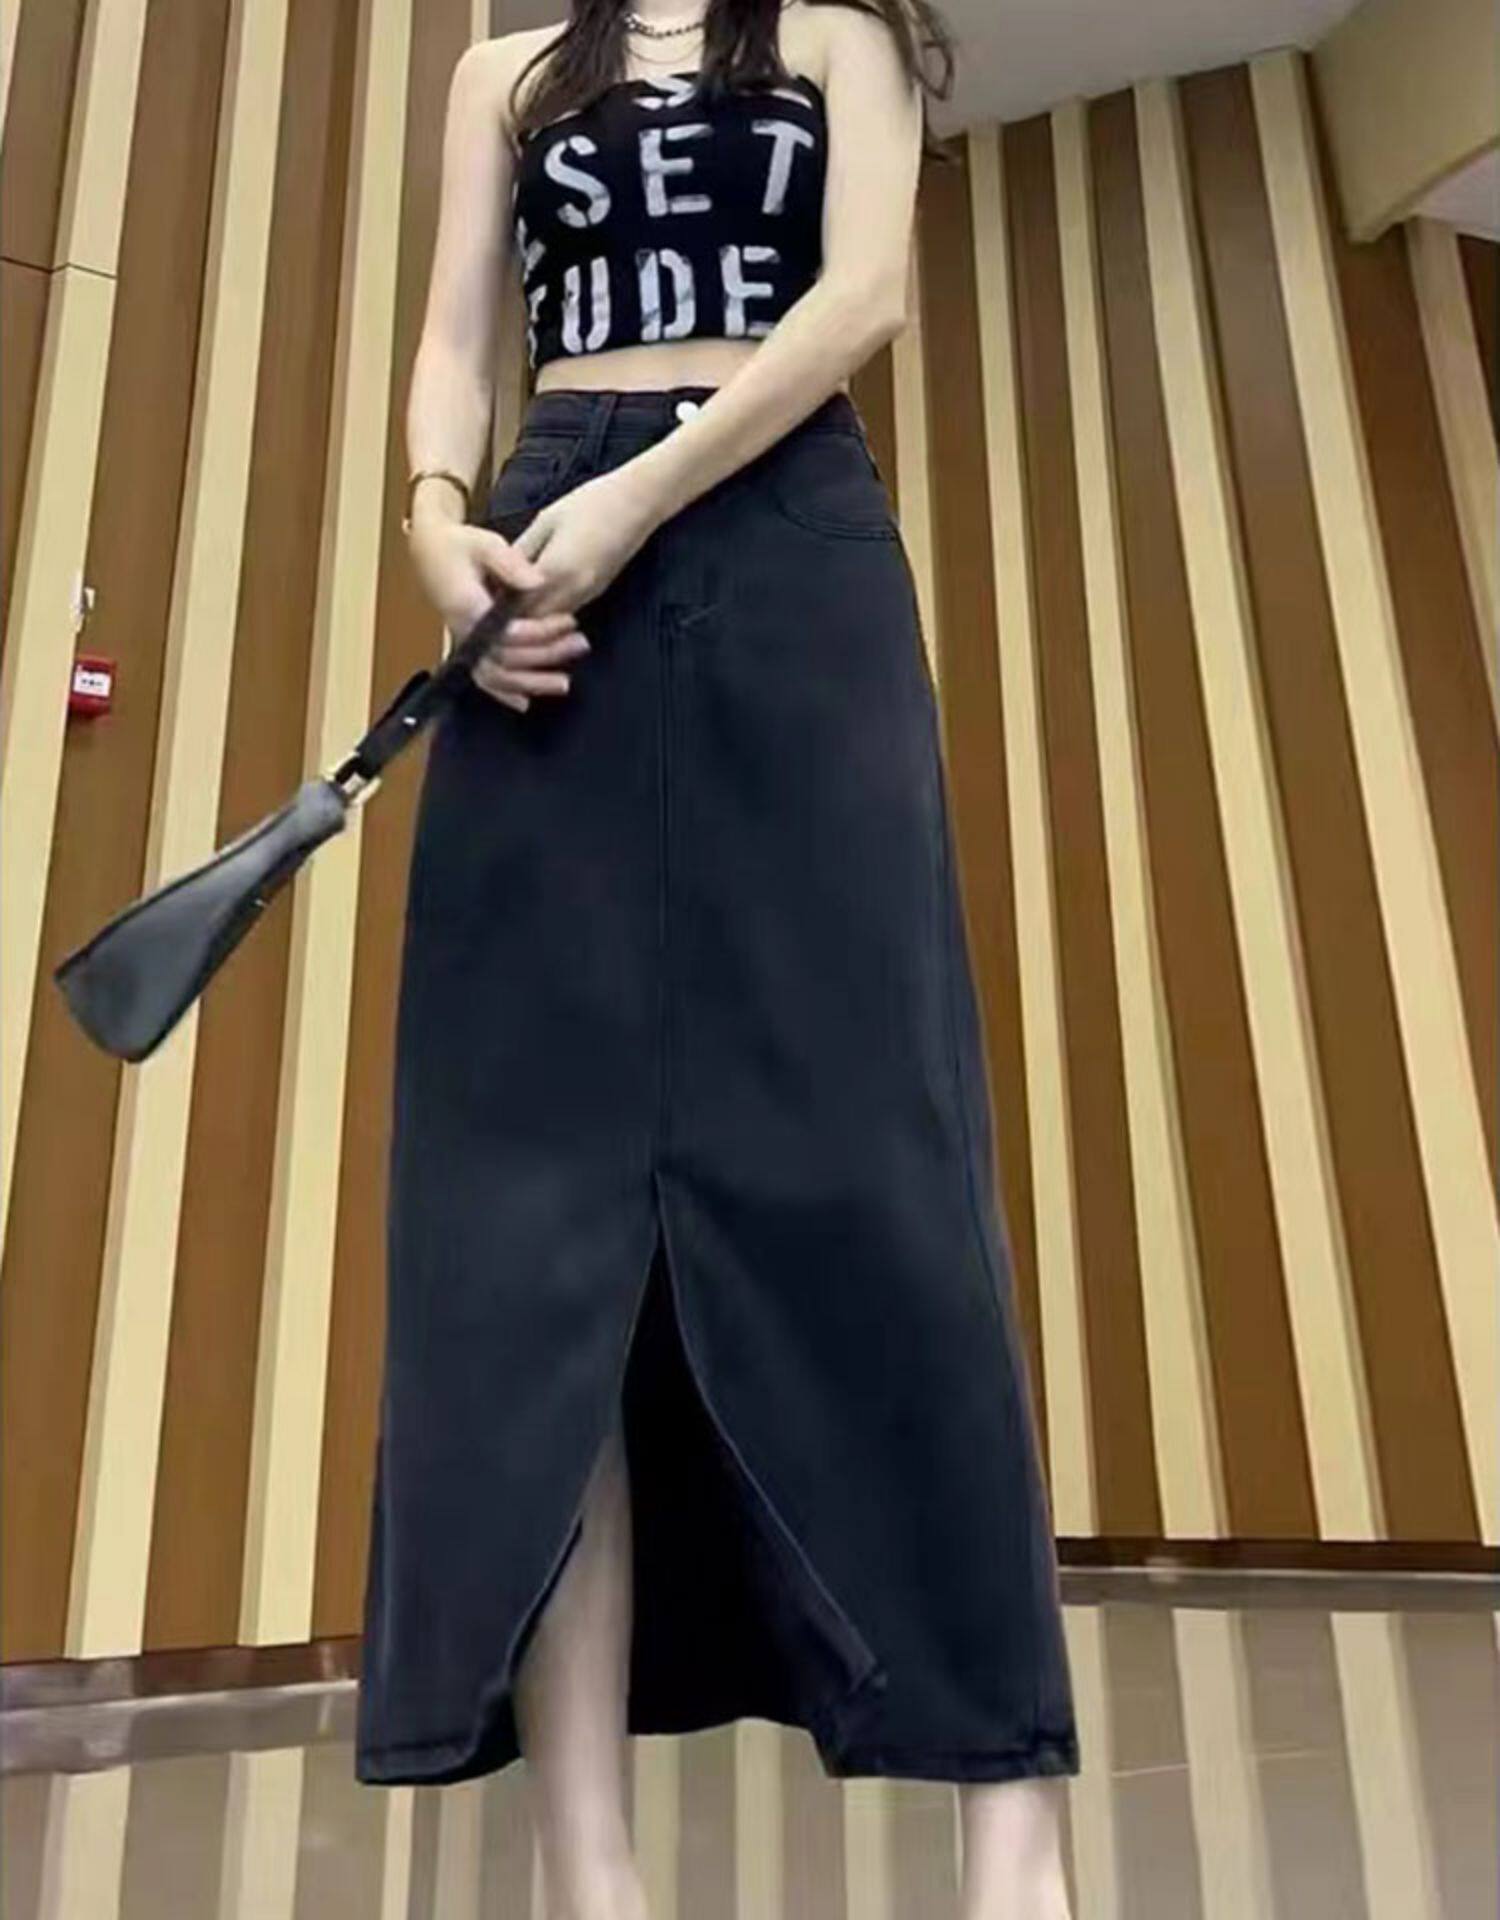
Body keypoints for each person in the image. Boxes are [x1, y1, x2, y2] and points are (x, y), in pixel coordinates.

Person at [356, 3, 1078, 1915]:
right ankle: (590, 1873)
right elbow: (456, 341)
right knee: (538, 1228)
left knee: (890, 1180)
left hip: (783, 537)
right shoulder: (506, 74)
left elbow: (857, 305)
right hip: (543, 587)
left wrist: (636, 490)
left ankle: (1017, 1842)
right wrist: (440, 530)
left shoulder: (841, 36)